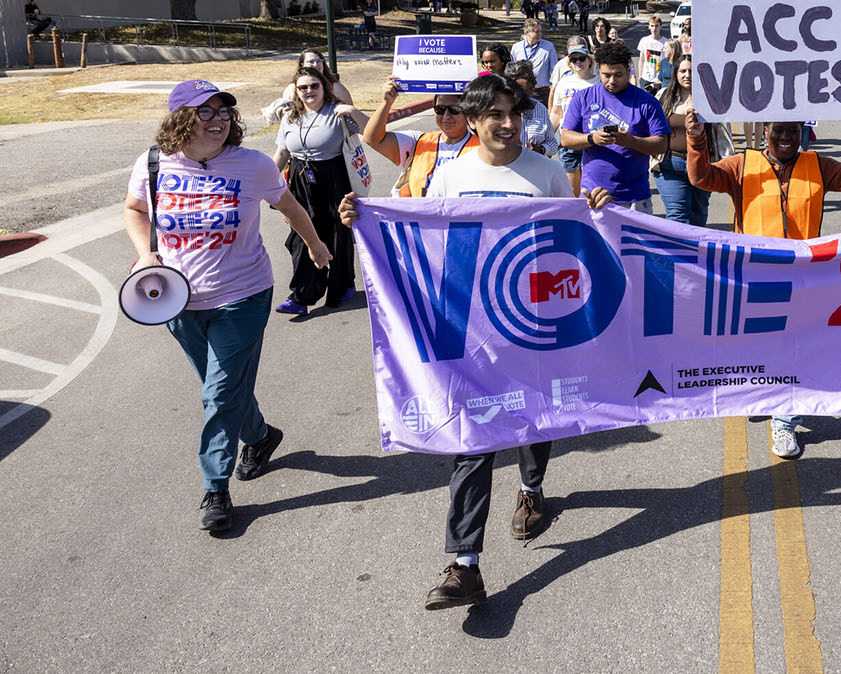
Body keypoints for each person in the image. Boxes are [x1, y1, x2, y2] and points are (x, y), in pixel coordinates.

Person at [339, 73, 613, 610]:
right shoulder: (450, 176)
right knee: (472, 441)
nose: (508, 125)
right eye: (496, 116)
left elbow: (575, 239)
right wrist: (361, 218)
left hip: (536, 327)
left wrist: (595, 211)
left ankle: (531, 491)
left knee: (538, 419)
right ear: (475, 120)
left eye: (514, 114)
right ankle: (465, 565)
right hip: (473, 339)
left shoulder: (548, 172)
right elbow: (424, 239)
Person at [123, 80, 332, 532]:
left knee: (218, 393)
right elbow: (136, 209)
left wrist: (315, 245)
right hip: (176, 301)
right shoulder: (154, 163)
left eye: (224, 112)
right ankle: (259, 435)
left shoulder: (252, 165)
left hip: (243, 295)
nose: (218, 120)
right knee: (221, 386)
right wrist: (145, 253)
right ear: (181, 118)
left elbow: (290, 207)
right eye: (205, 112)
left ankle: (215, 488)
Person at [686, 105, 841, 458]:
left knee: (794, 349)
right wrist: (696, 138)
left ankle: (784, 421)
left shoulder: (817, 165)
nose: (785, 138)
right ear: (765, 131)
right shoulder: (743, 164)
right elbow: (702, 178)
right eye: (778, 131)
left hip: (802, 279)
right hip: (751, 277)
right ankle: (760, 391)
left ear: (802, 132)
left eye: (792, 131)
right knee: (756, 346)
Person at [271, 66, 368, 315]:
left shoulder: (336, 113)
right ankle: (302, 296)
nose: (309, 91)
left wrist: (354, 111)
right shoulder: (290, 116)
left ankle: (342, 284)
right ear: (296, 91)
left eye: (314, 85)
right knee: (301, 235)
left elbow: (372, 133)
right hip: (300, 178)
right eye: (303, 87)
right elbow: (282, 153)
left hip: (334, 175)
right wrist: (267, 182)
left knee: (337, 233)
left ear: (324, 86)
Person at [560, 39, 670, 214]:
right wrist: (591, 138)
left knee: (635, 243)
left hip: (635, 196)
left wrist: (630, 141)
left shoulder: (647, 101)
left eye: (618, 75)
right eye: (606, 75)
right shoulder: (584, 97)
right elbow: (565, 138)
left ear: (628, 69)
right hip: (593, 195)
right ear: (598, 70)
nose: (611, 81)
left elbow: (661, 144)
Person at [361, 77, 480, 198]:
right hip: (418, 215)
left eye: (454, 110)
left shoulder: (483, 148)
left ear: (467, 111)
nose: (446, 116)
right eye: (440, 109)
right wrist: (387, 102)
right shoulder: (417, 141)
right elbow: (372, 139)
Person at [654, 56, 727, 226]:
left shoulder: (711, 98)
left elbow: (722, 133)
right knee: (677, 216)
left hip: (702, 165)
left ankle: (696, 252)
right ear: (675, 73)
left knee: (698, 214)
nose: (687, 75)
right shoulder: (664, 96)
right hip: (670, 165)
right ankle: (677, 253)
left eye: (691, 71)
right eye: (683, 71)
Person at [549, 40, 597, 195]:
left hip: (592, 140)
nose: (578, 62)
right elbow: (557, 113)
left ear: (589, 60)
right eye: (573, 59)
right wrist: (549, 137)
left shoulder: (599, 82)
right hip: (568, 139)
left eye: (581, 58)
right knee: (571, 189)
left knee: (589, 186)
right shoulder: (563, 83)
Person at [508, 61, 560, 158]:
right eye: (530, 79)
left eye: (534, 78)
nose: (535, 82)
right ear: (514, 80)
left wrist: (541, 149)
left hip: (535, 168)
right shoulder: (500, 108)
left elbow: (553, 143)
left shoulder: (539, 108)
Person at [509, 17, 557, 105]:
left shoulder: (549, 46)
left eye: (541, 31)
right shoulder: (516, 47)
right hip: (522, 92)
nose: (540, 34)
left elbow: (554, 70)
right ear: (527, 33)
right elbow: (512, 70)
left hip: (542, 92)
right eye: (536, 31)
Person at [637, 15, 667, 93]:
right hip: (646, 78)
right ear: (649, 27)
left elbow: (668, 61)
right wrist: (640, 76)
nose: (654, 28)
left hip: (659, 79)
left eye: (656, 26)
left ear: (660, 27)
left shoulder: (665, 42)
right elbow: (641, 60)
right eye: (652, 26)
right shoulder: (644, 40)